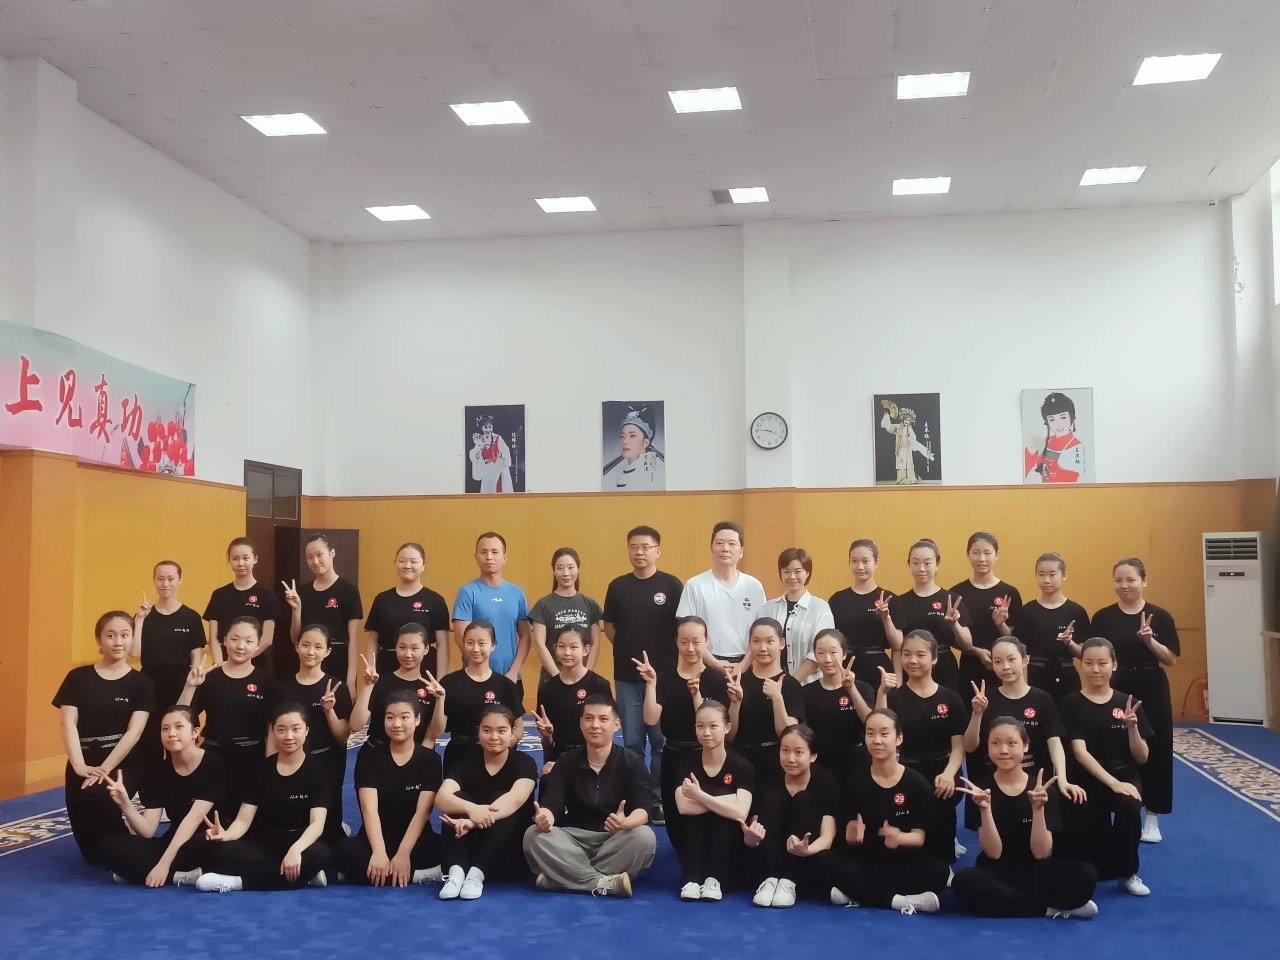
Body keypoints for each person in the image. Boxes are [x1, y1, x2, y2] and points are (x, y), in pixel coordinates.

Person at [952, 719, 1099, 918]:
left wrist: (1038, 810)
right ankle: (1046, 909)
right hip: (996, 872)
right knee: (963, 882)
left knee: (1086, 874)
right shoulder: (979, 791)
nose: (1004, 750)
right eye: (995, 743)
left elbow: (1041, 853)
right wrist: (985, 809)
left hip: (1038, 871)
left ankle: (1012, 903)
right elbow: (993, 853)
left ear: (1025, 746)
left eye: (1012, 743)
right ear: (988, 748)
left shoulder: (1042, 790)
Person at [524, 695, 656, 898]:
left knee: (644, 837)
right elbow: (553, 801)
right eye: (589, 718)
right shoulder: (567, 761)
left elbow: (643, 809)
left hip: (615, 839)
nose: (595, 725)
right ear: (581, 723)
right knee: (533, 835)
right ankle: (602, 882)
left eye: (603, 719)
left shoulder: (632, 762)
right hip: (573, 838)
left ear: (616, 725)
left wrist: (626, 822)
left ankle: (564, 879)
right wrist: (546, 817)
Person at [53, 611, 156, 863]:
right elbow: (68, 722)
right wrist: (78, 766)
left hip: (123, 762)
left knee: (98, 798)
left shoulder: (142, 682)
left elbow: (135, 731)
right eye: (110, 635)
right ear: (99, 640)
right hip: (83, 760)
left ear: (132, 639)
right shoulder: (77, 678)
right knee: (92, 855)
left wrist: (105, 770)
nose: (118, 642)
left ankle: (131, 846)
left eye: (124, 635)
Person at [196, 702, 332, 892]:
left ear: (306, 731)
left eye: (296, 729)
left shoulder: (318, 771)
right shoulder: (260, 770)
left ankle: (238, 883)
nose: (289, 736)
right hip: (266, 845)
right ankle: (302, 877)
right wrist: (226, 835)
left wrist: (296, 850)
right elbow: (243, 820)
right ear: (273, 732)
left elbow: (317, 824)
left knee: (321, 853)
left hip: (301, 843)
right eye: (281, 730)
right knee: (221, 851)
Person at [1090, 558, 1178, 845]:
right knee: (1115, 747)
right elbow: (1094, 656)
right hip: (1116, 687)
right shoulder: (1103, 617)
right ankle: (1114, 809)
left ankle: (1152, 817)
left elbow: (1171, 659)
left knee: (1157, 750)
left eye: (1131, 580)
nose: (1124, 585)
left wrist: (1150, 641)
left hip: (1152, 687)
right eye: (1119, 580)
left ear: (1144, 581)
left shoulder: (1160, 616)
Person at [961, 638, 1087, 834]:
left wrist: (1062, 778)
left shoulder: (1042, 699)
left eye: (1011, 659)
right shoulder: (986, 700)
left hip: (1033, 783)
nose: (1005, 667)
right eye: (998, 661)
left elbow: (1054, 742)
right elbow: (969, 746)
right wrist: (977, 714)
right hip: (996, 783)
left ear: (1025, 660)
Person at [829, 709, 949, 914]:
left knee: (939, 871)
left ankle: (860, 893)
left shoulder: (916, 783)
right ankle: (901, 901)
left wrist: (899, 838)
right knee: (827, 862)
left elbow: (919, 837)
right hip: (866, 860)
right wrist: (852, 838)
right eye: (870, 733)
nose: (877, 740)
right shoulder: (854, 782)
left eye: (884, 734)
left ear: (898, 738)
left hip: (901, 861)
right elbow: (848, 839)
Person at [1061, 638, 1153, 896]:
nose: (1095, 669)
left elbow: (1142, 757)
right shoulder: (1071, 703)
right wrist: (1113, 783)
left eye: (1102, 663)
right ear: (1081, 665)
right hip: (1086, 779)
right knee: (1087, 840)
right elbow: (1079, 753)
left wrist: (1132, 728)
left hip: (1124, 774)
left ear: (1114, 665)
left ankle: (1128, 872)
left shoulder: (1129, 703)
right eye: (1088, 663)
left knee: (1129, 806)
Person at [603, 525, 683, 823]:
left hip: (663, 679)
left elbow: (680, 630)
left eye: (646, 547)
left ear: (657, 551)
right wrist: (629, 650)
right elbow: (610, 628)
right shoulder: (617, 586)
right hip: (626, 677)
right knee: (633, 743)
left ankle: (658, 798)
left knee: (661, 742)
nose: (639, 552)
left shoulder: (672, 585)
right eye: (634, 547)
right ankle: (638, 798)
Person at [97, 705, 226, 887]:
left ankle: (156, 872)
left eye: (179, 727)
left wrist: (163, 865)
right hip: (174, 841)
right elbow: (148, 831)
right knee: (108, 845)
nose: (171, 733)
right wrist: (125, 803)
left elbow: (192, 820)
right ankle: (181, 876)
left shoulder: (214, 764)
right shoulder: (157, 771)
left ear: (195, 732)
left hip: (206, 837)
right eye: (165, 729)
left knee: (211, 844)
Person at [634, 616, 728, 854]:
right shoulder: (665, 677)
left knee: (707, 812)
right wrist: (651, 684)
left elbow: (713, 723)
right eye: (684, 642)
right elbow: (650, 719)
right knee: (674, 813)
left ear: (706, 641)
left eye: (696, 642)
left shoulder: (716, 679)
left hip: (706, 756)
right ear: (676, 642)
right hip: (674, 754)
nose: (690, 648)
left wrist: (697, 695)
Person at [335, 690, 444, 886]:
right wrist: (378, 852)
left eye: (404, 717)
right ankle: (416, 876)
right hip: (375, 838)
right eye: (390, 717)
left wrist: (403, 854)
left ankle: (367, 876)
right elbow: (369, 810)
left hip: (415, 840)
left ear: (417, 720)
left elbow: (422, 813)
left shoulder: (431, 760)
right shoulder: (369, 757)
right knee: (341, 850)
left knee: (448, 848)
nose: (396, 724)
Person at [877, 629, 967, 864]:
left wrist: (949, 774)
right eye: (907, 654)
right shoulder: (894, 698)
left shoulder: (950, 699)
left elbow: (959, 747)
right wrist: (882, 693)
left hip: (942, 773)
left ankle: (945, 860)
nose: (912, 661)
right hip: (906, 772)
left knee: (941, 819)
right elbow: (880, 731)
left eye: (920, 655)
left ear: (934, 658)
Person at [436, 704, 538, 900]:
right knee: (459, 798)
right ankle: (456, 873)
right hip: (469, 842)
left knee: (501, 798)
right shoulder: (466, 761)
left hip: (504, 852)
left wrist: (473, 821)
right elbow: (442, 797)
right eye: (487, 730)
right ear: (478, 732)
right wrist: (471, 809)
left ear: (512, 733)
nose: (494, 737)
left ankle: (476, 875)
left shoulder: (525, 762)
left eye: (502, 731)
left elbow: (514, 799)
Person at [178, 616, 274, 813]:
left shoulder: (266, 681)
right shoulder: (209, 678)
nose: (241, 646)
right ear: (224, 640)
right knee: (211, 815)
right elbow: (180, 717)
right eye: (234, 639)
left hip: (252, 758)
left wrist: (270, 763)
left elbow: (273, 727)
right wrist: (189, 686)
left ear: (258, 645)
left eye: (248, 641)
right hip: (213, 757)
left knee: (249, 817)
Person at [273, 624, 353, 842]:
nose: (310, 652)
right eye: (305, 645)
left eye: (318, 647)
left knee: (329, 824)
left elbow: (342, 737)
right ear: (296, 647)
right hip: (292, 762)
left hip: (328, 761)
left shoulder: (337, 687)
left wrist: (329, 711)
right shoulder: (282, 688)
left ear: (327, 651)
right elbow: (273, 731)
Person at [745, 724, 840, 907]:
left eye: (799, 752)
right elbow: (755, 829)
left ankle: (788, 882)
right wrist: (750, 839)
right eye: (785, 751)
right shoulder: (769, 777)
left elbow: (828, 837)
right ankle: (770, 880)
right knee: (774, 797)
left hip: (806, 858)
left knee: (804, 799)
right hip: (771, 857)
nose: (790, 759)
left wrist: (807, 850)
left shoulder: (825, 779)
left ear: (813, 756)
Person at [672, 700, 753, 901]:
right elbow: (683, 807)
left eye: (713, 726)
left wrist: (700, 796)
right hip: (695, 837)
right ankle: (691, 878)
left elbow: (741, 812)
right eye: (700, 726)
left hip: (728, 842)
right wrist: (728, 800)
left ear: (727, 728)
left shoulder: (742, 766)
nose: (706, 733)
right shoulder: (686, 763)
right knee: (703, 812)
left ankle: (715, 878)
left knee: (722, 813)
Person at [131, 561, 204, 780]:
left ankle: (185, 784)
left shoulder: (191, 617)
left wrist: (194, 684)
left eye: (171, 579)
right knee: (150, 740)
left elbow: (196, 657)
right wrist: (140, 619)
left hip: (181, 685)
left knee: (181, 739)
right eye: (160, 579)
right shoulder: (144, 616)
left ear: (180, 580)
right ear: (154, 580)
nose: (165, 584)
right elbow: (134, 652)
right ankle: (152, 789)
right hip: (148, 685)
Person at [882, 539, 975, 692]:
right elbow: (897, 649)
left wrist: (954, 624)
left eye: (927, 563)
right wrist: (898, 684)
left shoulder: (951, 599)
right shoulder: (900, 602)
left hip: (944, 670)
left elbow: (967, 645)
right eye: (916, 563)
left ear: (937, 564)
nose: (921, 569)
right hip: (911, 669)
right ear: (909, 564)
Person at [728, 618, 805, 795]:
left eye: (770, 641)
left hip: (775, 764)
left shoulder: (790, 685)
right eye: (756, 641)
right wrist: (735, 703)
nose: (763, 648)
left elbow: (788, 735)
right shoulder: (739, 682)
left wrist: (777, 698)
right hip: (741, 762)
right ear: (749, 645)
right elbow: (729, 735)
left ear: (781, 644)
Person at [676, 521, 766, 672]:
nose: (725, 548)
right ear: (711, 548)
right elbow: (686, 631)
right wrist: (715, 663)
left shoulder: (754, 586)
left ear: (741, 551)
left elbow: (762, 630)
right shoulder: (695, 585)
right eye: (719, 543)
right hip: (706, 665)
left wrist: (744, 665)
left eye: (732, 544)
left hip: (748, 665)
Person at [452, 532, 531, 701]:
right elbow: (460, 637)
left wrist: (514, 671)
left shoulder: (517, 593)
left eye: (495, 552)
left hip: (511, 679)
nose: (489, 557)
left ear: (504, 557)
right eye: (483, 552)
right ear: (476, 557)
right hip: (476, 679)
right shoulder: (467, 592)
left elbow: (526, 636)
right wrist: (482, 672)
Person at [282, 533, 363, 691]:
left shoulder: (349, 591)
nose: (315, 561)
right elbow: (295, 639)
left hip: (337, 663)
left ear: (332, 553)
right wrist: (296, 609)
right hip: (308, 663)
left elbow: (353, 641)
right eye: (310, 557)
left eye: (319, 555)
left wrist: (351, 681)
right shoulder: (303, 592)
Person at [439, 621, 523, 774]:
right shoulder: (449, 683)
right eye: (470, 643)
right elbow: (437, 730)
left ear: (493, 645)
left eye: (482, 643)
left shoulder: (505, 685)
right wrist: (439, 699)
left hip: (496, 759)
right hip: (459, 757)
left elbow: (519, 729)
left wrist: (500, 747)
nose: (476, 649)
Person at [350, 624, 447, 749]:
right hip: (378, 752)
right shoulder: (380, 682)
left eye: (414, 648)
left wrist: (440, 700)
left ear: (426, 649)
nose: (407, 654)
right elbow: (355, 725)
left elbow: (435, 734)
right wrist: (368, 686)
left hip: (416, 754)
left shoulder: (431, 688)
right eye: (402, 647)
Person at [1007, 553, 1088, 701]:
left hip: (1066, 676)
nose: (1046, 580)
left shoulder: (1077, 612)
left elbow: (1085, 655)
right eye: (1041, 574)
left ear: (1064, 575)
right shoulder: (1026, 612)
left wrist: (1069, 642)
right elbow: (1019, 653)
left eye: (1052, 574)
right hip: (1035, 675)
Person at [949, 532, 1023, 693]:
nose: (981, 559)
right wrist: (976, 651)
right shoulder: (957, 593)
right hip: (970, 667)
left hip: (1005, 668)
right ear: (968, 555)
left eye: (987, 553)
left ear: (996, 555)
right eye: (976, 553)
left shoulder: (1009, 592)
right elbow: (952, 638)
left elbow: (1016, 639)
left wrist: (1001, 624)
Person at [364, 542, 450, 679]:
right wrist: (371, 669)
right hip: (387, 669)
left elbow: (443, 644)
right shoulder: (382, 599)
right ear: (395, 563)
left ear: (423, 566)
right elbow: (373, 640)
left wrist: (441, 680)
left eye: (413, 562)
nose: (407, 566)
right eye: (402, 561)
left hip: (424, 671)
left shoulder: (435, 601)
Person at [534, 625, 612, 773]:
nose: (567, 652)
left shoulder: (600, 685)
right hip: (560, 759)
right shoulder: (547, 690)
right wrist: (547, 736)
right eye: (561, 646)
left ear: (586, 650)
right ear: (555, 649)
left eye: (573, 647)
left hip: (593, 758)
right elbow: (548, 745)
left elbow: (607, 732)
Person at [802, 629, 875, 783]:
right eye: (821, 653)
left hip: (856, 763)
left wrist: (851, 688)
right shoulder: (806, 692)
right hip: (819, 764)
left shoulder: (863, 688)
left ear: (844, 654)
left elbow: (870, 723)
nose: (827, 659)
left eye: (833, 652)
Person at [827, 539, 900, 688]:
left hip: (878, 669)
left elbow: (898, 645)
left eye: (865, 561)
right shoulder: (837, 600)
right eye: (854, 561)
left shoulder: (889, 599)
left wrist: (886, 619)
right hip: (845, 668)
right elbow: (830, 640)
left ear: (876, 563)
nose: (860, 567)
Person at [202, 537, 278, 667]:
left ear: (255, 559)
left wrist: (240, 659)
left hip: (255, 665)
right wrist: (220, 665)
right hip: (223, 664)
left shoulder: (266, 594)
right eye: (235, 558)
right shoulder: (219, 595)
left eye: (246, 558)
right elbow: (213, 638)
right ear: (229, 560)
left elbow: (267, 639)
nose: (240, 563)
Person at [763, 548, 834, 685]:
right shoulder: (768, 607)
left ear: (807, 573)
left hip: (809, 685)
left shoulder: (820, 608)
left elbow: (818, 653)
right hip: (772, 685)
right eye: (786, 571)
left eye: (797, 571)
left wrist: (790, 684)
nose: (792, 576)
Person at [530, 547, 603, 679]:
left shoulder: (590, 604)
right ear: (554, 571)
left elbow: (595, 643)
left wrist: (587, 675)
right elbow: (539, 644)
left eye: (570, 567)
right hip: (551, 677)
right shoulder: (543, 605)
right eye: (560, 568)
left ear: (578, 569)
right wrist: (557, 677)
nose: (566, 573)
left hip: (583, 677)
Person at [1024, 391, 1086, 483]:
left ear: (1071, 417)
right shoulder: (1042, 443)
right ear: (1047, 422)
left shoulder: (1078, 447)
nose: (1058, 424)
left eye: (1063, 417)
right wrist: (1030, 453)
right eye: (1052, 419)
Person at [602, 405, 665, 490]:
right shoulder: (628, 469)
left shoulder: (652, 475)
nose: (625, 441)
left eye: (632, 436)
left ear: (646, 442)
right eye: (622, 436)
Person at [470, 414, 514, 493]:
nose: (488, 430)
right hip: (488, 470)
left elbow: (506, 451)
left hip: (499, 468)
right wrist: (480, 449)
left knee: (502, 489)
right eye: (485, 427)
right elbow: (473, 454)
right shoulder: (480, 440)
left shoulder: (497, 438)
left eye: (490, 427)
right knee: (489, 491)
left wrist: (502, 455)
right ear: (482, 428)